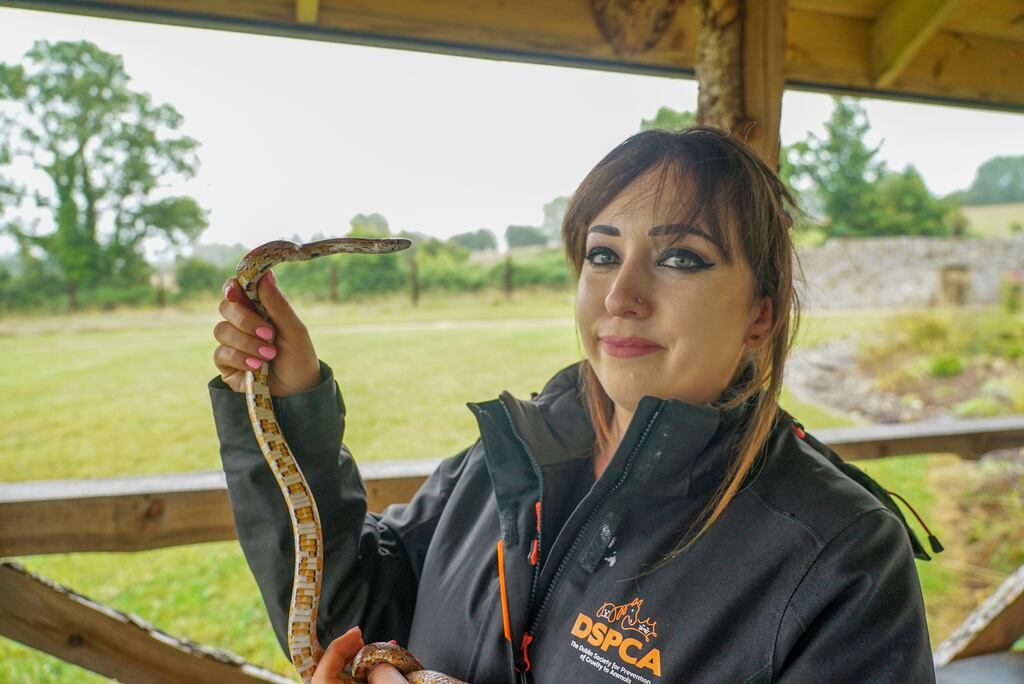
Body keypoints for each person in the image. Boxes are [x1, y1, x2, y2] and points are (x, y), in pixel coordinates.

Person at [210, 127, 936, 683]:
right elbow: (345, 620)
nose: (622, 297)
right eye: (602, 253)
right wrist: (287, 400)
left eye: (681, 257)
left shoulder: (841, 557)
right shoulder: (508, 461)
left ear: (759, 317)